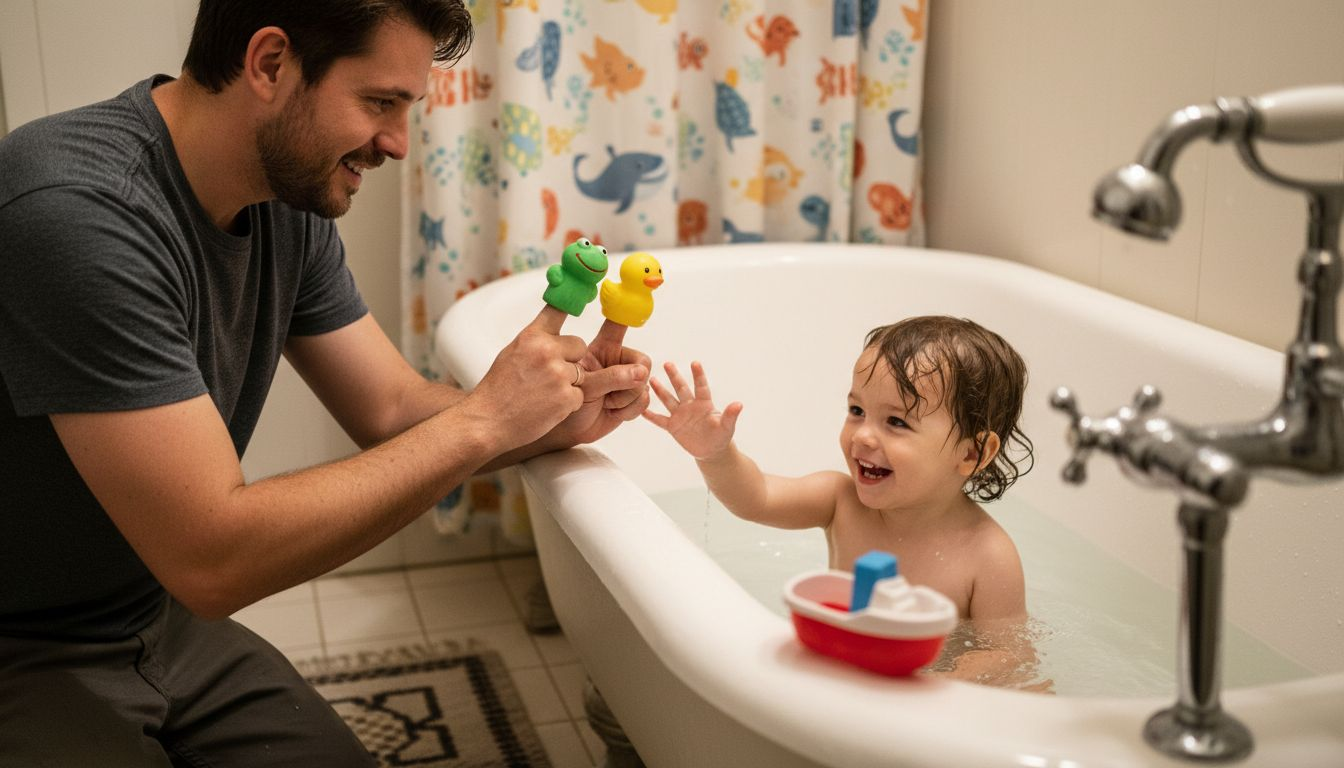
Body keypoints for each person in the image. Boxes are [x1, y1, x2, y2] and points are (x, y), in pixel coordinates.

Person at [0, 1, 649, 765]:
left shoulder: (284, 197)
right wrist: (485, 422)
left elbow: (391, 407)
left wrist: (552, 417)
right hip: (25, 640)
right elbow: (212, 558)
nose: (399, 145)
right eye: (380, 103)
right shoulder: (76, 215)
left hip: (156, 614)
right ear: (270, 64)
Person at [645, 316, 1043, 684]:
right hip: (837, 673)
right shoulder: (840, 500)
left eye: (897, 422)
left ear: (971, 454)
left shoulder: (987, 555)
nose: (863, 436)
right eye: (857, 410)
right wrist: (715, 454)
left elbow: (1006, 653)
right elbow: (756, 497)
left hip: (919, 702)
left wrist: (935, 685)